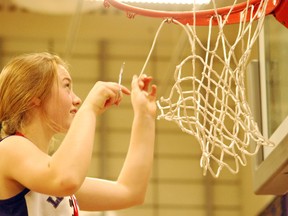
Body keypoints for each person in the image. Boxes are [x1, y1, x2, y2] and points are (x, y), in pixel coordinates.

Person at [0, 52, 157, 215]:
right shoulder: (9, 148)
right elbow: (66, 179)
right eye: (67, 86)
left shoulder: (48, 175)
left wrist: (144, 116)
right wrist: (90, 108)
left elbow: (130, 192)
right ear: (35, 95)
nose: (77, 100)